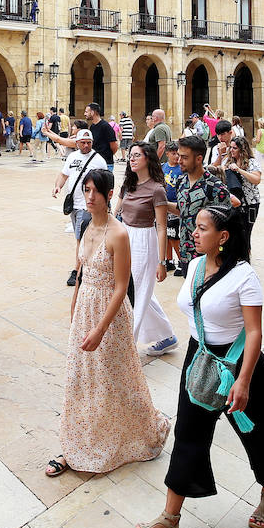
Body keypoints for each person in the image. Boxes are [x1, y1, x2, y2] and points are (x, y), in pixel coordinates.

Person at [135, 203, 264, 528]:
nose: (193, 231)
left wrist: (244, 381)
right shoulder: (193, 266)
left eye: (202, 228)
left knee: (259, 436)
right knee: (188, 435)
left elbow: (254, 333)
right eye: (196, 225)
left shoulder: (244, 276)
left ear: (223, 236)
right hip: (199, 360)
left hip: (239, 363)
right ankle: (169, 519)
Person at [47, 167, 170, 479]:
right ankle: (75, 442)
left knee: (115, 377)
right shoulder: (88, 225)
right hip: (86, 308)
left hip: (109, 314)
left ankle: (127, 434)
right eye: (86, 190)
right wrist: (75, 304)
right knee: (81, 378)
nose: (89, 197)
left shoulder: (118, 233)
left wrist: (100, 328)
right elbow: (82, 270)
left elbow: (121, 286)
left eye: (95, 192)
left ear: (109, 195)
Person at [114, 143, 177, 356]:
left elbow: (161, 227)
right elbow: (116, 214)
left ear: (148, 159)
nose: (131, 159)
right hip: (125, 237)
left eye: (136, 156)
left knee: (135, 293)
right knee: (142, 292)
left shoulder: (157, 189)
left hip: (144, 241)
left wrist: (161, 262)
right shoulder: (128, 184)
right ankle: (167, 337)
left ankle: (125, 349)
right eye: (130, 155)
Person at [169, 136, 236, 274]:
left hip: (208, 257)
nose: (179, 160)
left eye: (184, 157)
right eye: (178, 156)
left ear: (199, 159)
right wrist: (160, 204)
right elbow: (183, 210)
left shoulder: (216, 188)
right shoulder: (181, 181)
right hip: (185, 255)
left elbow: (226, 224)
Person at [55, 129, 109, 287]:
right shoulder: (72, 157)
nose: (86, 145)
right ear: (77, 143)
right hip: (74, 205)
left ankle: (77, 271)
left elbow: (106, 182)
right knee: (81, 238)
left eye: (89, 143)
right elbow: (64, 175)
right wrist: (57, 186)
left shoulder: (98, 160)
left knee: (81, 239)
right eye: (83, 142)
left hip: (88, 207)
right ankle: (86, 265)